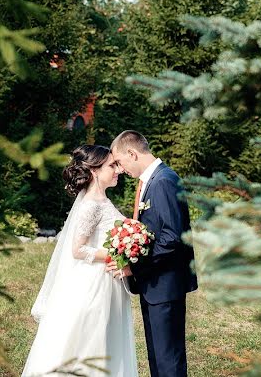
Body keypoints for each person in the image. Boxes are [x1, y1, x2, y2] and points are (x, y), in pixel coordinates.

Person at [22, 145, 139, 377]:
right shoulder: (91, 205)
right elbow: (78, 249)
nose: (117, 170)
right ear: (94, 170)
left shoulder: (101, 199)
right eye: (111, 165)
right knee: (91, 341)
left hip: (108, 282)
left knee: (107, 340)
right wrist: (116, 254)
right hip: (95, 284)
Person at [106, 131, 198, 377]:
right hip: (155, 284)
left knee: (168, 358)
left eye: (120, 162)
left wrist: (133, 266)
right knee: (157, 355)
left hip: (165, 284)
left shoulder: (163, 181)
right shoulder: (154, 180)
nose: (121, 169)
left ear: (132, 153)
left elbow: (171, 238)